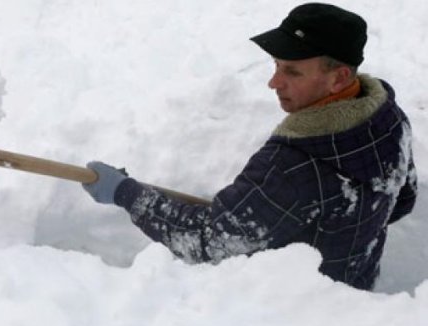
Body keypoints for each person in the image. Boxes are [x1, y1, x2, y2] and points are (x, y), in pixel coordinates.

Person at [82, 3, 417, 290]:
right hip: (355, 288)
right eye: (275, 66)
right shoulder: (388, 119)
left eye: (292, 72)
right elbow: (402, 201)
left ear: (339, 78)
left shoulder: (293, 164)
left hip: (297, 318)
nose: (274, 82)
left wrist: (124, 192)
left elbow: (208, 242)